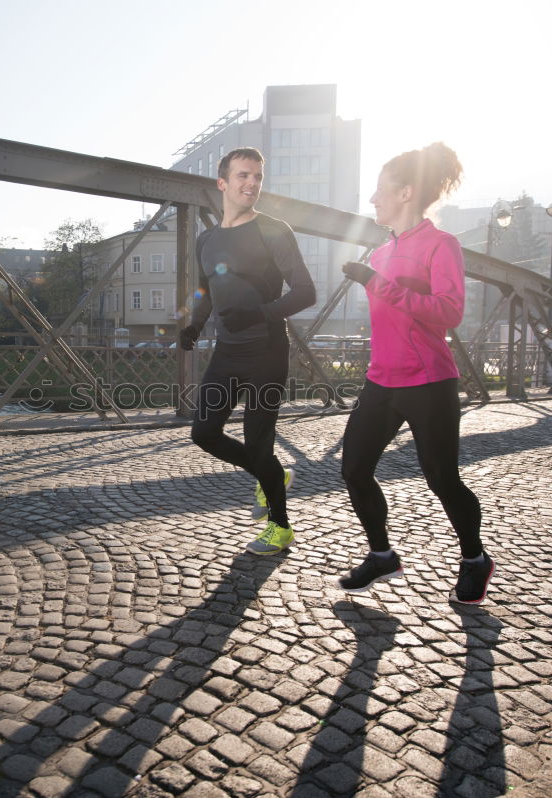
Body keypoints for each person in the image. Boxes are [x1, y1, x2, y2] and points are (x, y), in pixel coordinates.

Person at [336, 142, 495, 604]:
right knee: (354, 469)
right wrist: (376, 279)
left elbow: (449, 312)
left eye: (380, 191)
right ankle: (382, 555)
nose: (372, 200)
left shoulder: (441, 245)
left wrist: (378, 285)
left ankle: (474, 559)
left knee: (442, 477)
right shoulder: (382, 252)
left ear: (406, 193)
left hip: (428, 381)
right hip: (381, 379)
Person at [180, 147, 316, 555]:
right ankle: (270, 473)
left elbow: (306, 292)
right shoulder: (207, 238)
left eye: (257, 176)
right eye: (242, 176)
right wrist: (195, 323)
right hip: (228, 352)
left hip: (266, 352)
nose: (251, 184)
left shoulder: (274, 230)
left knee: (259, 442)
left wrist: (258, 313)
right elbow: (209, 287)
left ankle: (280, 527)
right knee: (204, 433)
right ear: (222, 183)